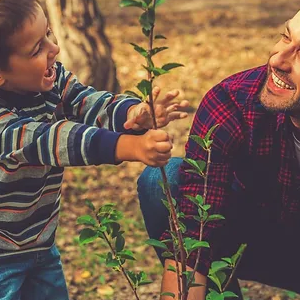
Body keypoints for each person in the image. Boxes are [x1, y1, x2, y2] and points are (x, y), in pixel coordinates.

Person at [0, 1, 189, 299]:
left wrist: (133, 114)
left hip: (41, 247)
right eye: (36, 49)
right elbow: (54, 139)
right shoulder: (4, 125)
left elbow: (90, 102)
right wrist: (129, 146)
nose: (54, 49)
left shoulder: (51, 81)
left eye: (49, 33)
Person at [138, 8, 300, 300]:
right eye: (285, 37)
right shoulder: (234, 101)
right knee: (162, 180)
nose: (278, 59)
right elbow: (194, 231)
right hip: (266, 241)